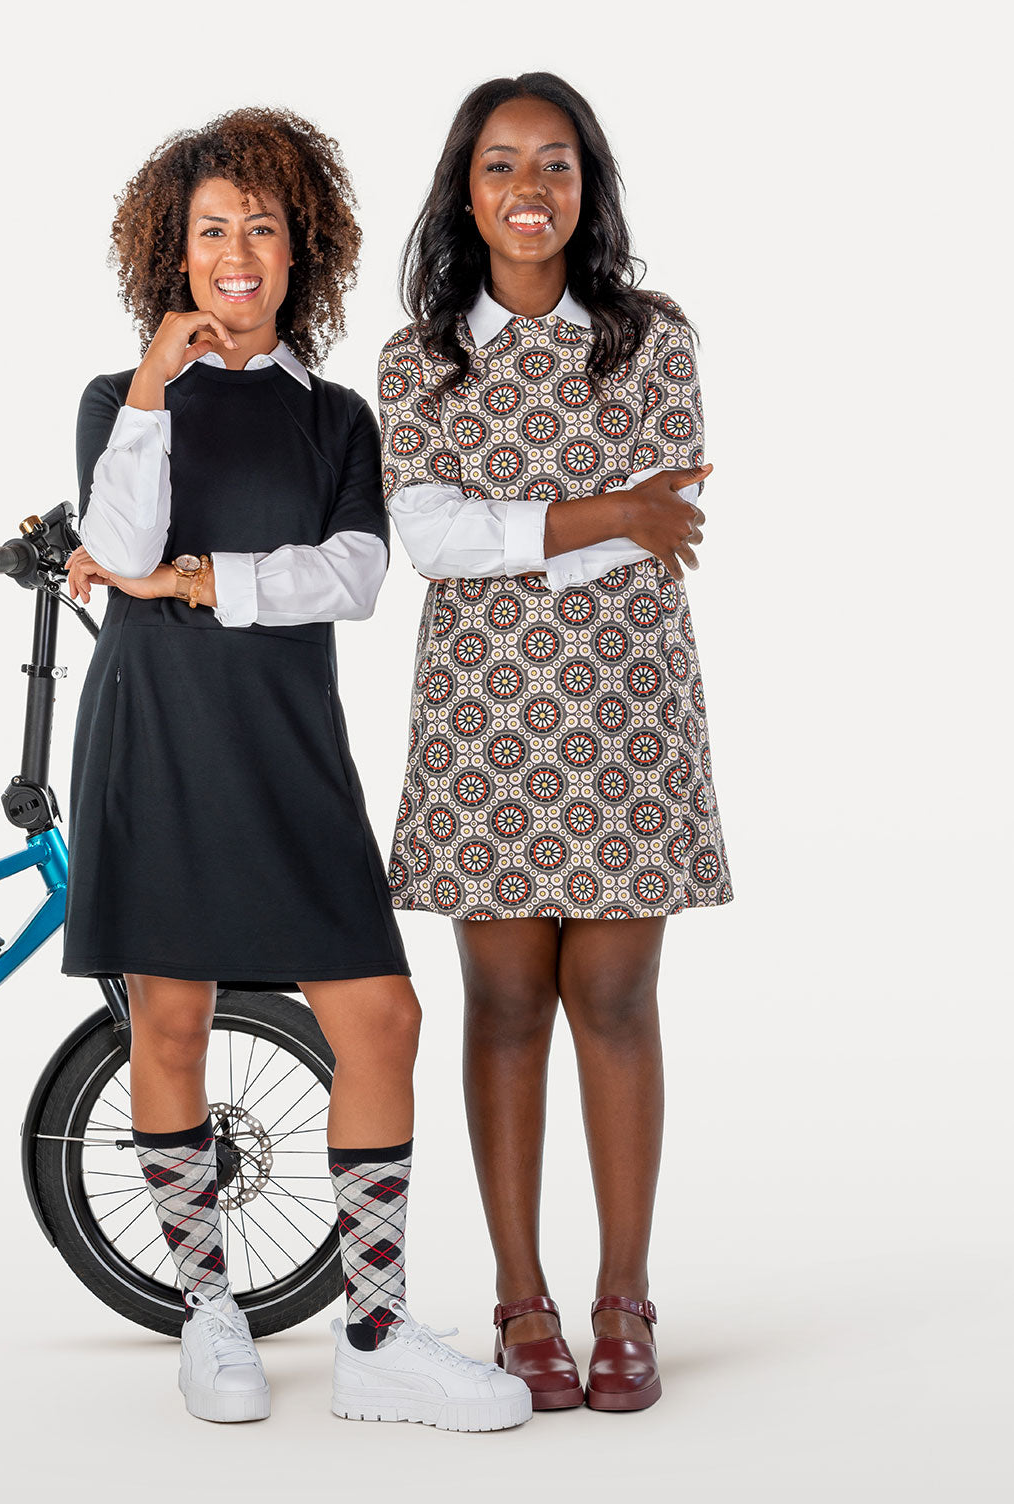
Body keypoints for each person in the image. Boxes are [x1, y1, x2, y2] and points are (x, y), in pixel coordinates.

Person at [60, 106, 530, 1433]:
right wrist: (155, 382)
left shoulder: (334, 418)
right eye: (212, 229)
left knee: (379, 1016)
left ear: (298, 242)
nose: (236, 250)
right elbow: (115, 531)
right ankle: (210, 1313)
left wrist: (196, 581)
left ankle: (375, 1332)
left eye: (260, 225)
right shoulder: (116, 402)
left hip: (288, 742)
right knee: (169, 1019)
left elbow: (360, 577)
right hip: (153, 734)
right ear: (174, 249)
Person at [378, 73, 733, 1412]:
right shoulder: (423, 356)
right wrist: (603, 519)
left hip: (630, 716)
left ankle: (623, 1299)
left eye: (556, 165)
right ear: (463, 193)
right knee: (505, 1006)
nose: (529, 190)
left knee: (619, 1002)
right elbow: (429, 543)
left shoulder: (651, 335)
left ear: (587, 186)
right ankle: (519, 1299)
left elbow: (677, 516)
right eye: (499, 166)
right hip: (482, 725)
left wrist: (523, 528)